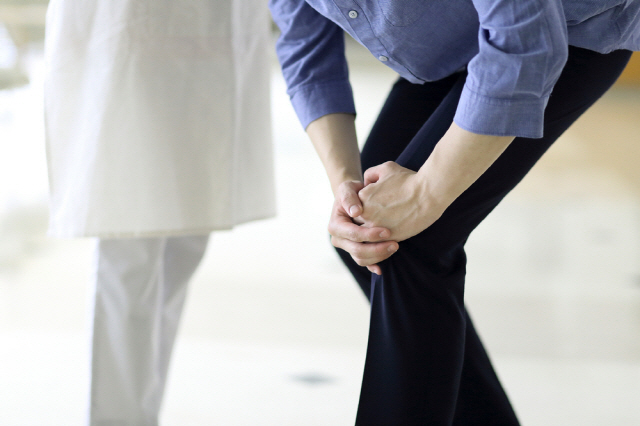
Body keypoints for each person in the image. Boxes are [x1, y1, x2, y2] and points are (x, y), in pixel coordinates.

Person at [270, 1, 638, 424]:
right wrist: (347, 191)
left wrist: (426, 194)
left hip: (561, 31)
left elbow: (523, 38)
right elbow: (305, 50)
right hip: (451, 49)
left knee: (405, 241)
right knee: (368, 233)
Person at [44, 0, 274, 424]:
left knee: (187, 236)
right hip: (128, 24)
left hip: (216, 28)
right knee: (130, 235)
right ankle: (119, 418)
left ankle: (140, 412)